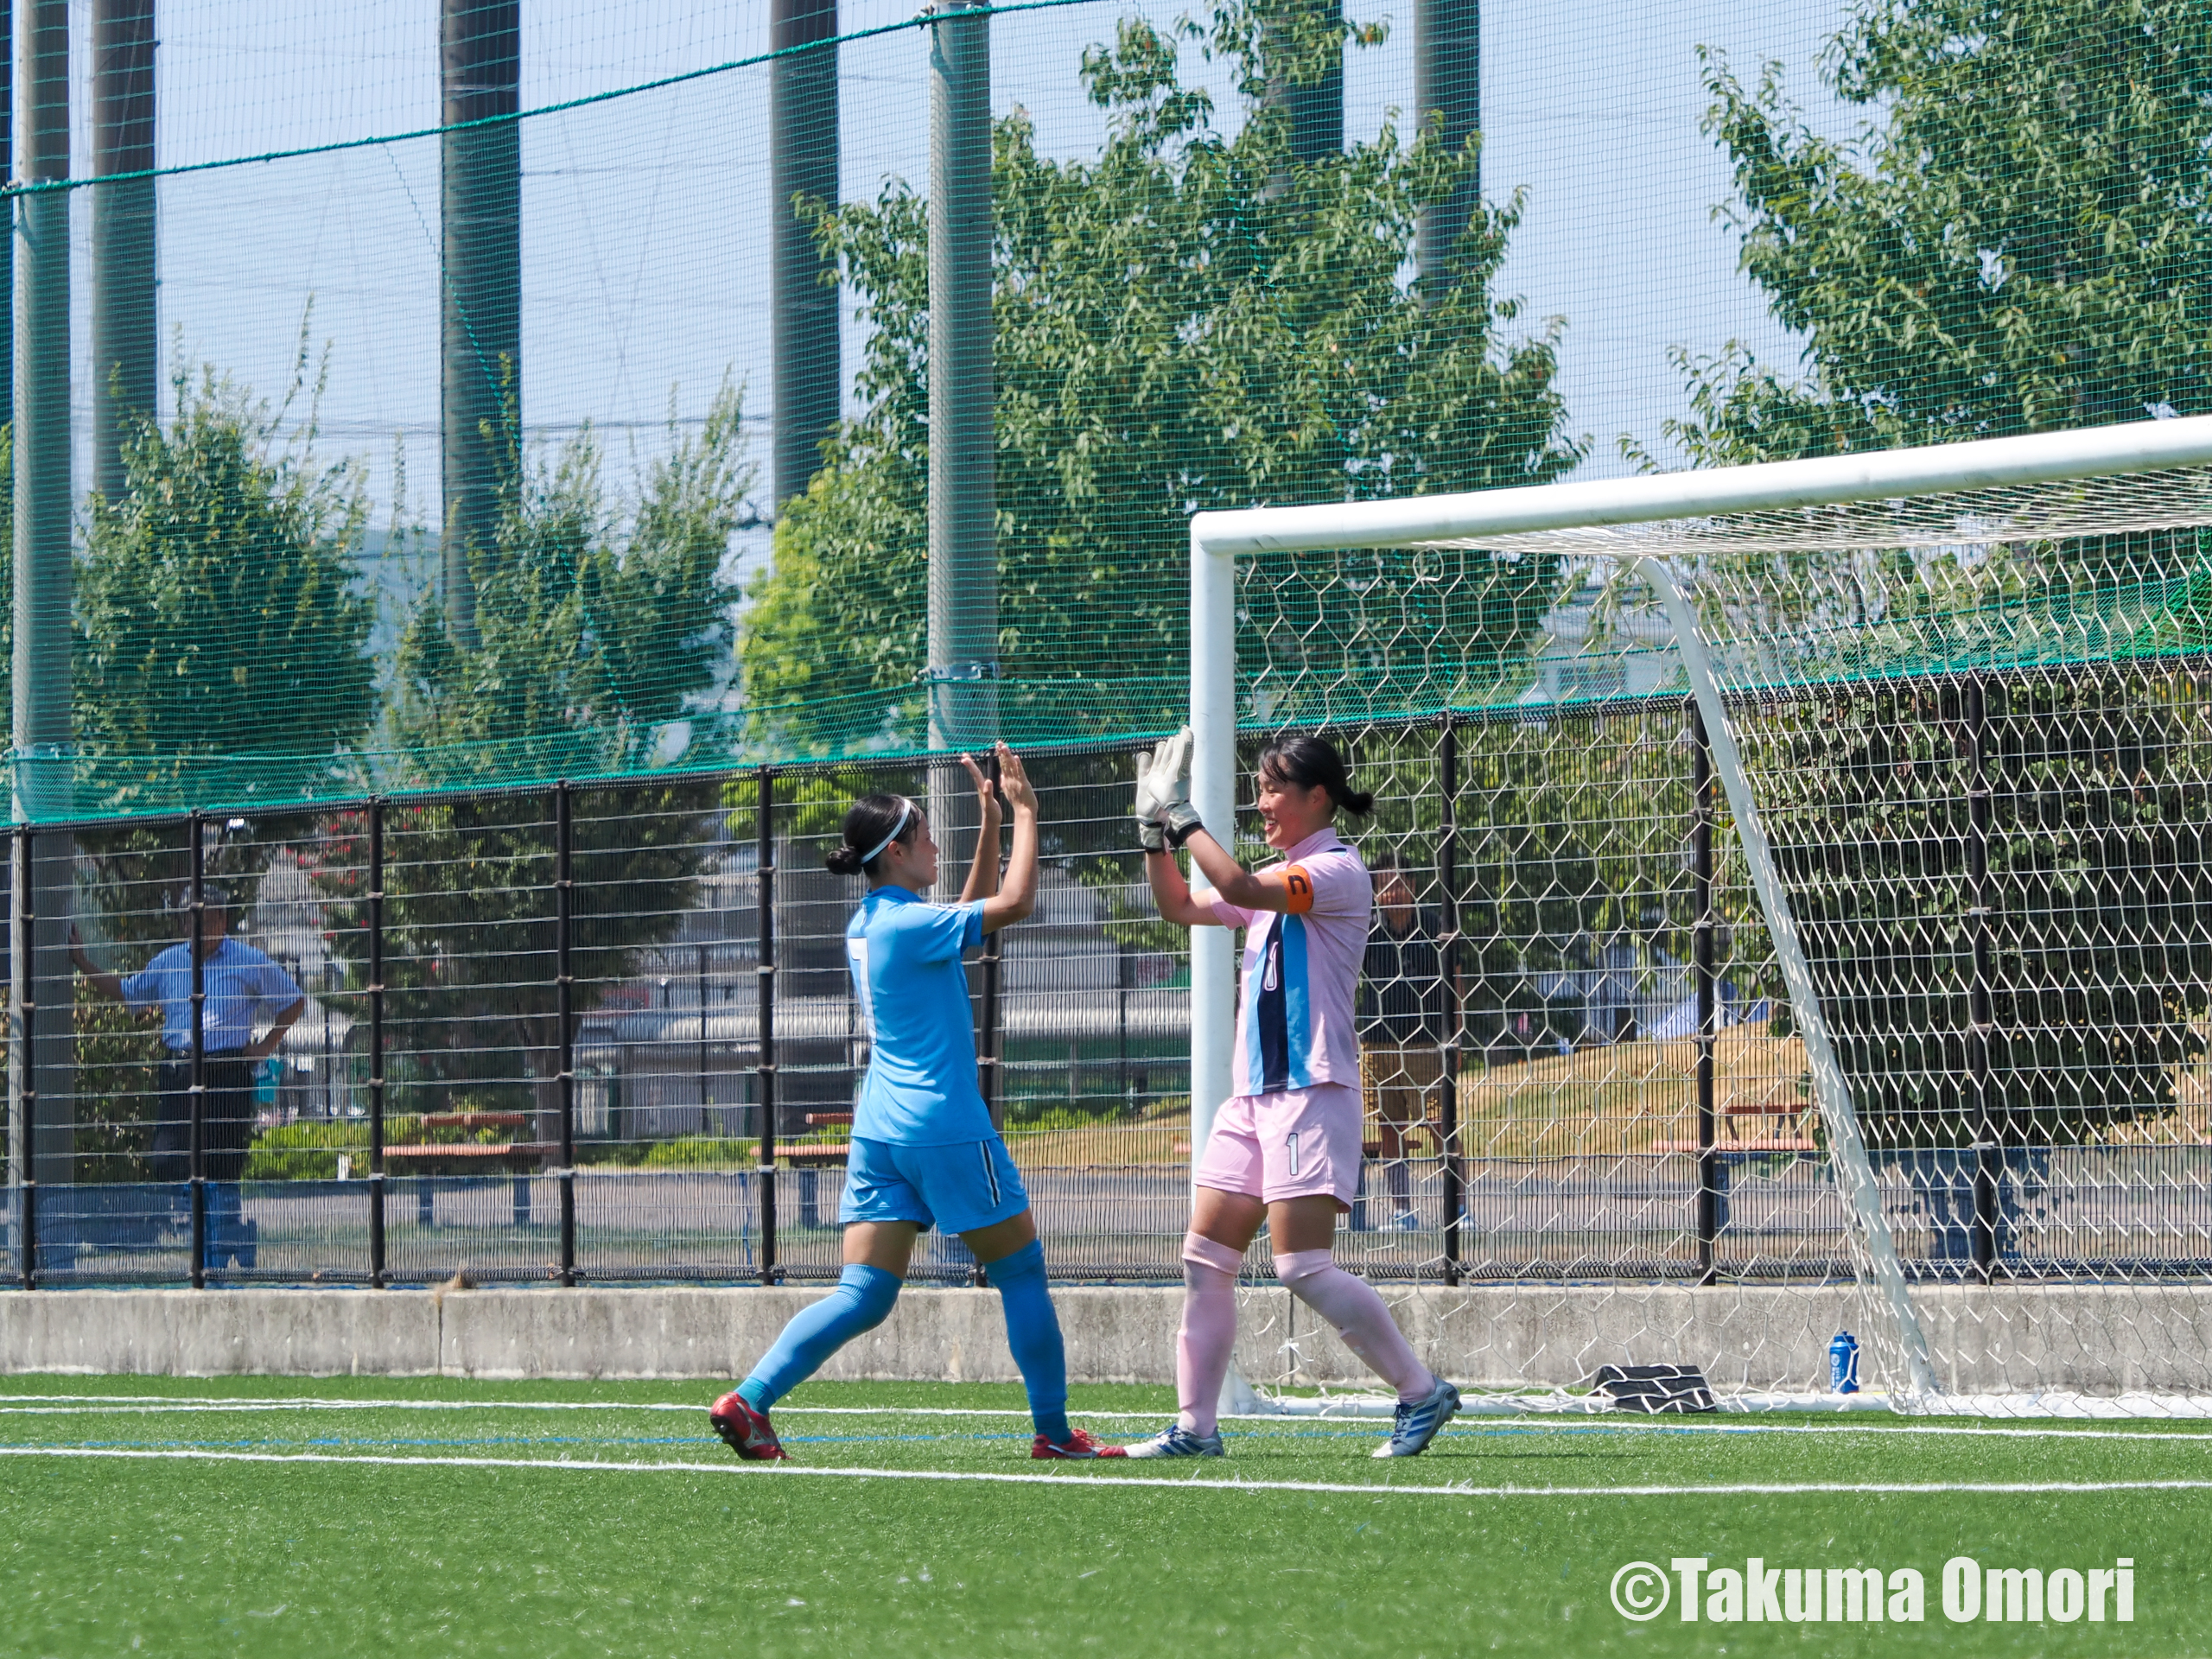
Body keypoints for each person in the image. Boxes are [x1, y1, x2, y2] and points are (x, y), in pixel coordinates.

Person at [709, 744, 1122, 1462]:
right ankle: (1056, 1434)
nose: (936, 846)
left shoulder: (872, 923)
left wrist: (989, 825)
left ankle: (749, 1400)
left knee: (864, 1293)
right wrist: (1027, 812)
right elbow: (1015, 904)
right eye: (928, 835)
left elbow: (962, 917)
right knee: (1020, 1270)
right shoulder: (905, 925)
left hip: (881, 1130)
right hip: (943, 1124)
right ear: (897, 851)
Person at [1123, 730, 1460, 1459]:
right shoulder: (1277, 877)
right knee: (1204, 1259)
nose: (1262, 802)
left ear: (1318, 797)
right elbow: (1178, 906)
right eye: (1260, 787)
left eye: (1274, 788)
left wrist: (1182, 814)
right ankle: (1196, 1429)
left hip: (1310, 1091)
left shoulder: (1335, 871)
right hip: (1253, 1098)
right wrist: (1152, 831)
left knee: (1300, 1267)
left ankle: (1420, 1390)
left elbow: (1240, 888)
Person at [71, 884, 305, 1269]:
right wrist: (83, 963)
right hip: (179, 1071)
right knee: (167, 1157)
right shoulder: (168, 962)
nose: (196, 928)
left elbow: (293, 1000)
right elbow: (128, 992)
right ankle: (210, 1231)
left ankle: (222, 1246)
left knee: (223, 1163)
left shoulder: (249, 960)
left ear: (222, 920)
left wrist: (266, 1045)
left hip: (227, 1072)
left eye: (205, 920)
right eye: (189, 920)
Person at [1358, 855, 1448, 1232]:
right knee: (1389, 1127)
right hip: (1378, 1042)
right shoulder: (1364, 929)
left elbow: (1455, 979)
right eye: (1383, 886)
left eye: (1398, 884)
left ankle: (1458, 1208)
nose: (1392, 893)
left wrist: (1455, 1034)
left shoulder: (1434, 925)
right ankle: (1401, 1211)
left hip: (1424, 1043)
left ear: (1412, 885)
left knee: (1439, 1123)